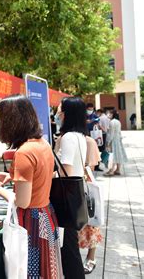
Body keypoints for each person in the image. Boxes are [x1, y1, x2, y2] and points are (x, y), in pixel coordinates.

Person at [0, 95, 63, 278]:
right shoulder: (43, 144)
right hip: (45, 215)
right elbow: (39, 176)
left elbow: (22, 202)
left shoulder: (24, 152)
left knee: (30, 272)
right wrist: (11, 177)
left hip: (32, 221)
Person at [54, 96, 87, 278]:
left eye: (60, 110)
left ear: (67, 114)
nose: (58, 113)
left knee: (69, 249)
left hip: (66, 195)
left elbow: (64, 170)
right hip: (76, 193)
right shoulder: (80, 135)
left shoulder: (68, 137)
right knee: (70, 245)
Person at [78, 136, 103, 274]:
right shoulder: (63, 138)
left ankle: (91, 257)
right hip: (70, 186)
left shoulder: (89, 141)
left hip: (86, 187)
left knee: (91, 222)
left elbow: (91, 167)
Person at [104, 109, 128, 176]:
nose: (109, 115)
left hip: (113, 140)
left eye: (110, 114)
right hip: (118, 139)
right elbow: (119, 132)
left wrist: (108, 142)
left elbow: (111, 134)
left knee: (113, 155)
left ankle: (111, 170)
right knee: (118, 154)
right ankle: (118, 170)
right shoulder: (118, 121)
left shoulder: (112, 122)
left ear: (113, 114)